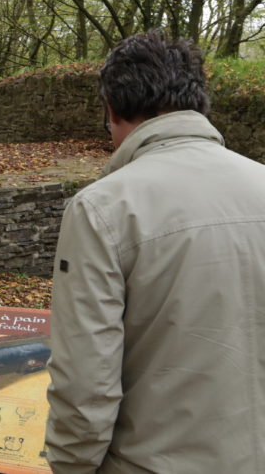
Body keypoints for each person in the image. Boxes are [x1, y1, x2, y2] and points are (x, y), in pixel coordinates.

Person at [44, 30, 265, 473]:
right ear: (198, 100)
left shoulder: (103, 207)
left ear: (111, 110)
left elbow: (86, 381)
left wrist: (70, 466)